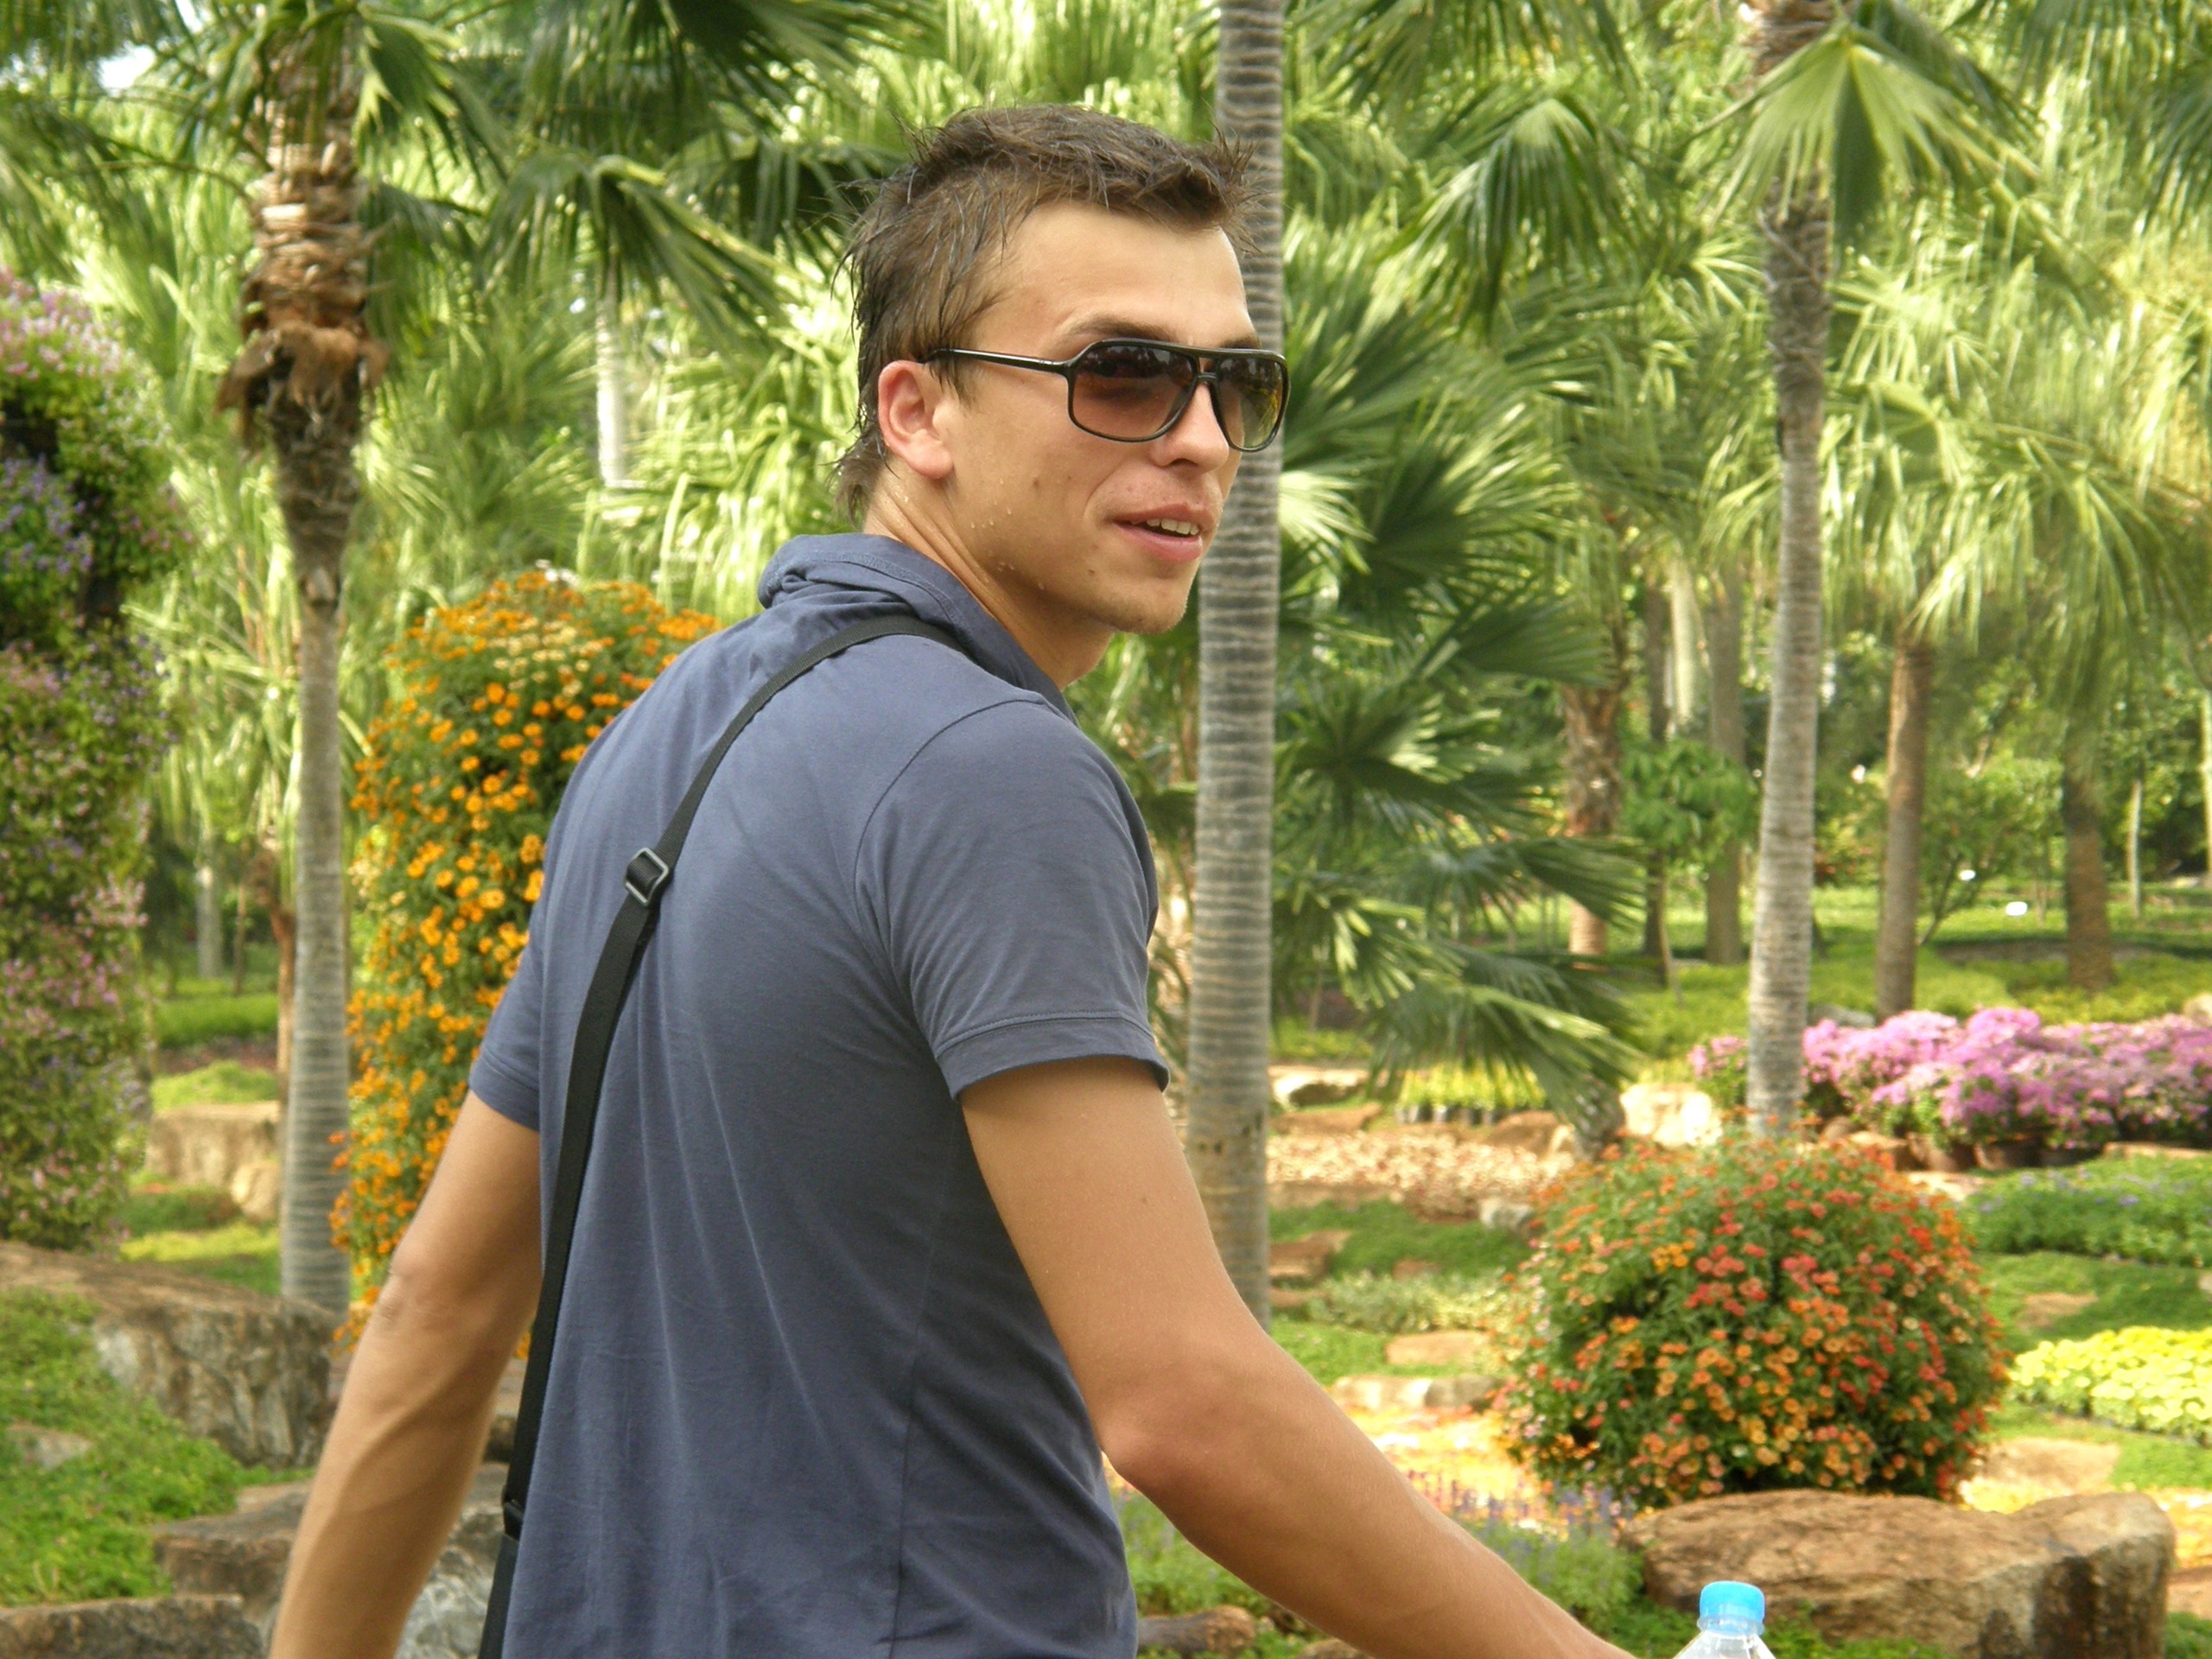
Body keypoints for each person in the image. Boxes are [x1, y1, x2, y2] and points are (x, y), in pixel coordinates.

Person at [268, 105, 1631, 1659]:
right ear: (916, 410)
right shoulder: (993, 770)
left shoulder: (669, 725)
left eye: (1235, 384)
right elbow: (1183, 1402)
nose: (1200, 438)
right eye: (1123, 373)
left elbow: (436, 1315)